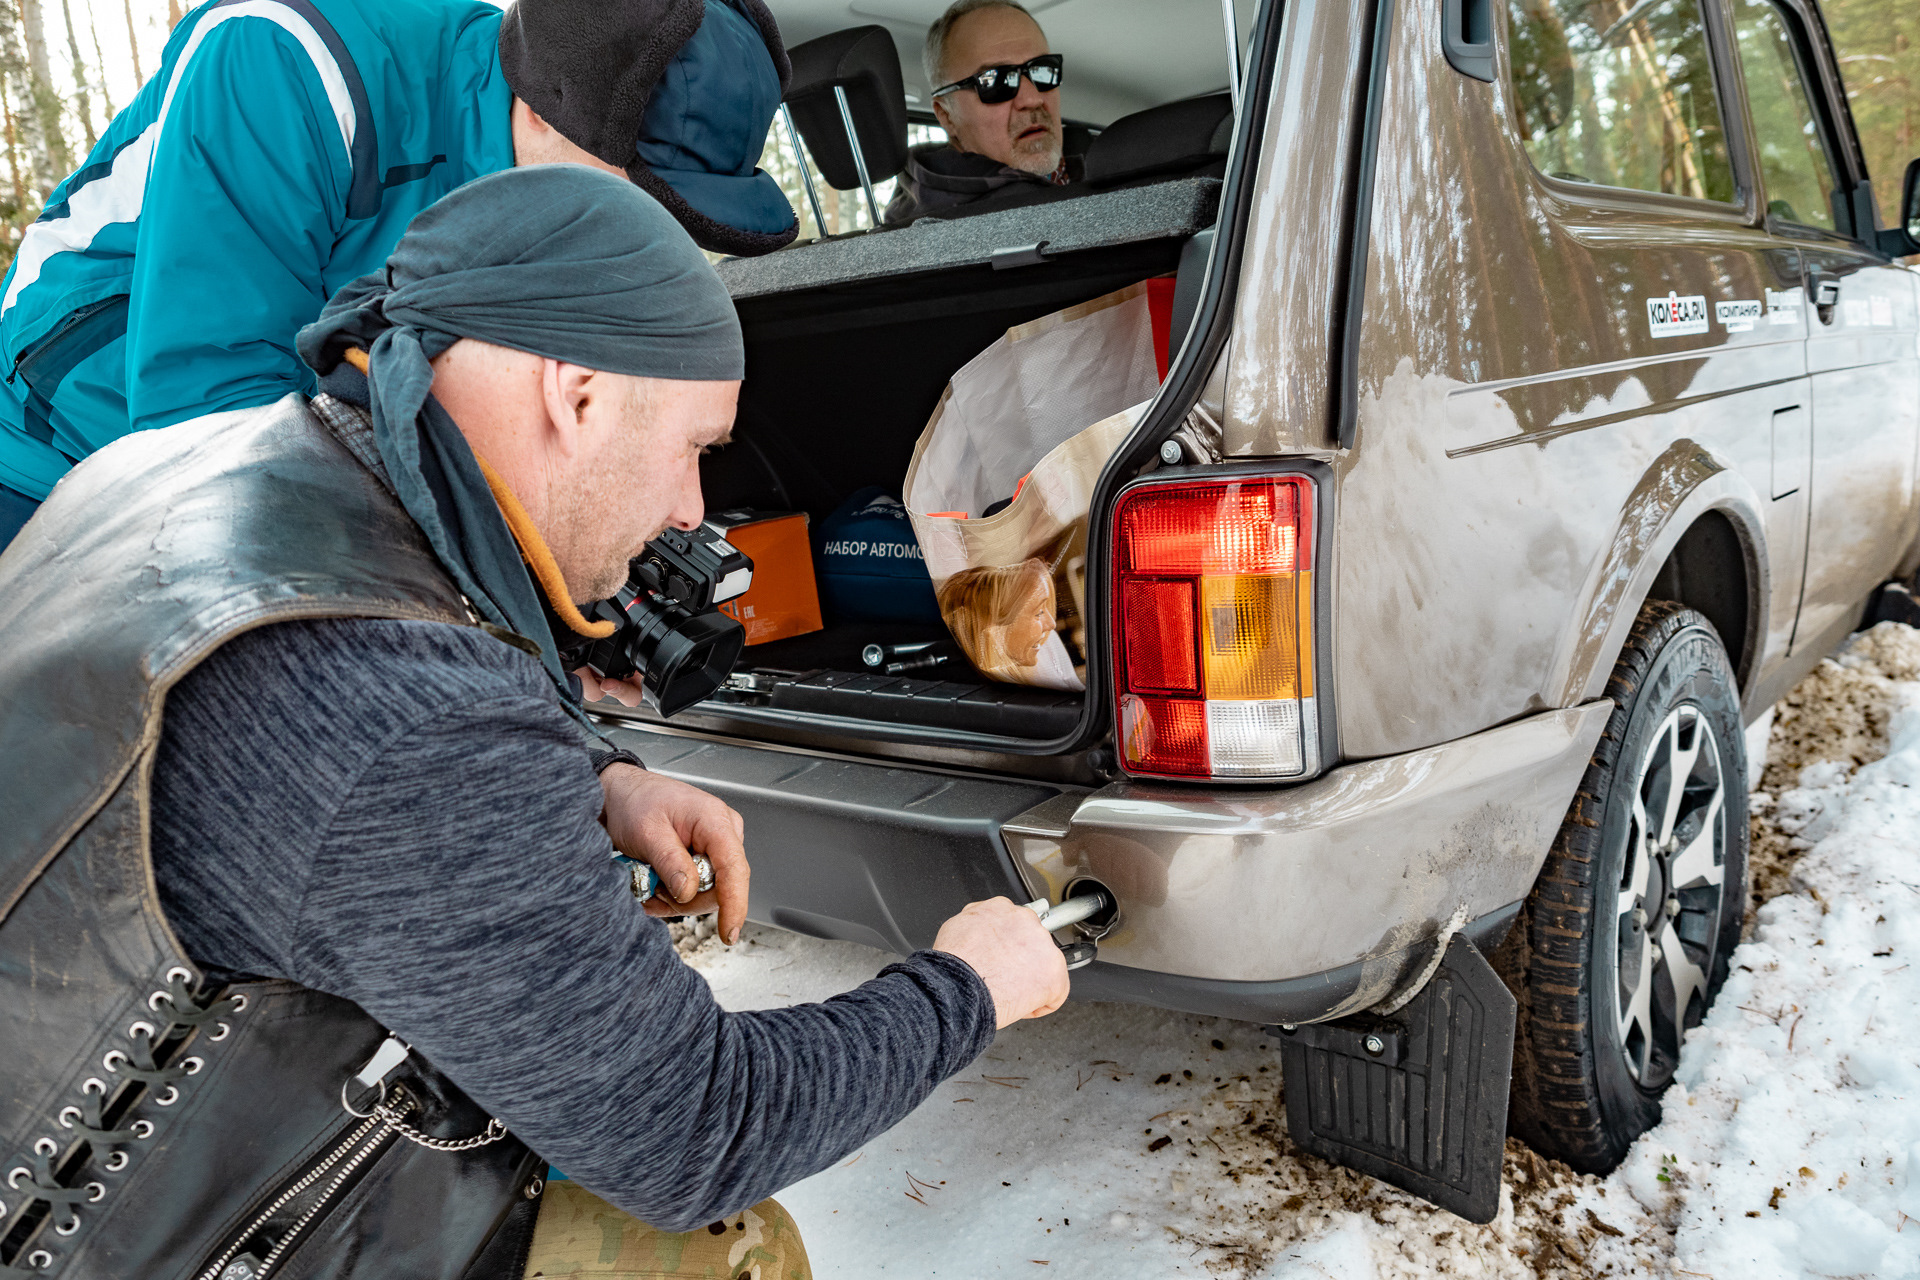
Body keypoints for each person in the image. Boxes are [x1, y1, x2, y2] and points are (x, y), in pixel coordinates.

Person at [0, 166, 1069, 1278]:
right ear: (578, 393)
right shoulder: (411, 720)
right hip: (110, 1238)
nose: (696, 513)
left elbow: (347, 722)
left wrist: (594, 772)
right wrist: (969, 986)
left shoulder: (188, 466)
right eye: (697, 448)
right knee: (717, 1250)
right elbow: (699, 1129)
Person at [0, 0, 800, 550]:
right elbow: (209, 417)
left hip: (272, 449)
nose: (646, 247)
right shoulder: (289, 60)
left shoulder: (550, 200)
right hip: (51, 455)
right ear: (550, 111)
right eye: (643, 201)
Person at [883, 0, 1080, 225]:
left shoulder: (1082, 186)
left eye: (1042, 69)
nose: (1032, 99)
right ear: (946, 115)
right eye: (996, 81)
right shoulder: (942, 232)